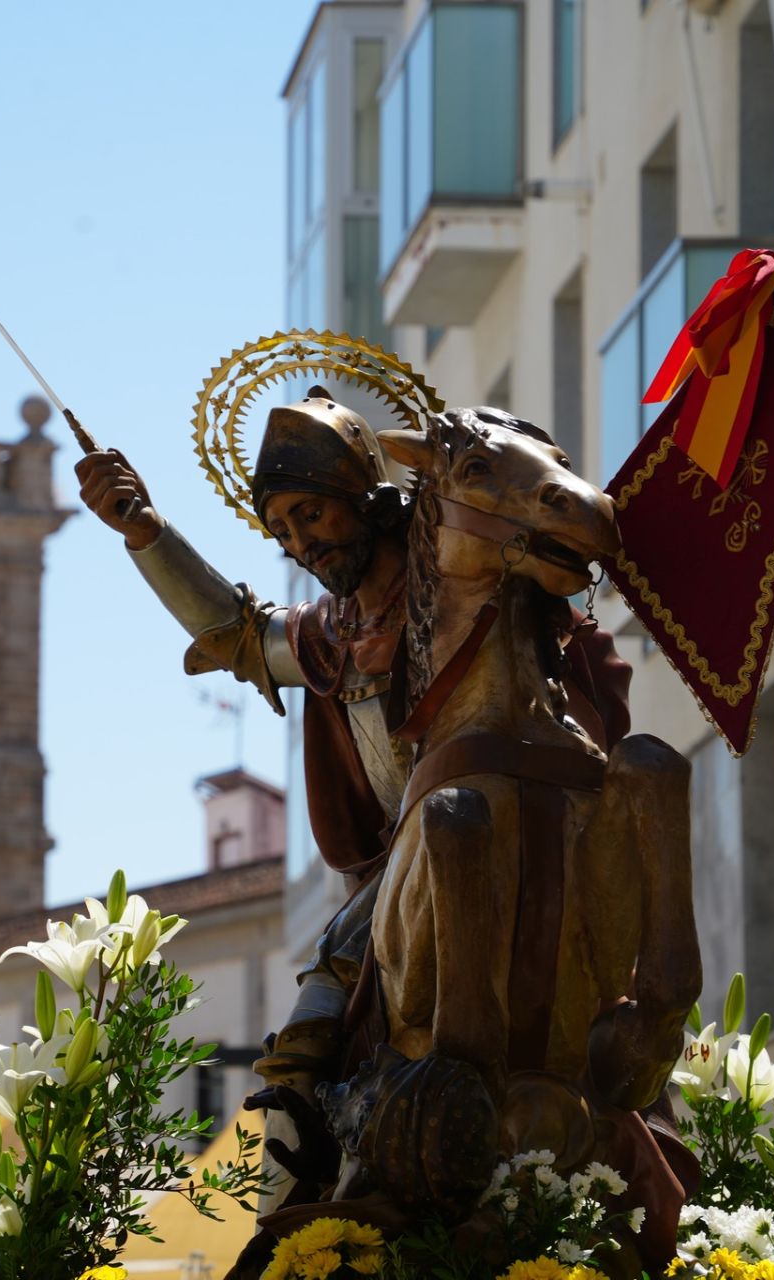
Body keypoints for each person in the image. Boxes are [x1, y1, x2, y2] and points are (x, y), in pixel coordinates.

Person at [75, 387, 632, 1204]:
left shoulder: (473, 582)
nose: (301, 542)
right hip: (394, 874)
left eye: (313, 514)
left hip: (525, 822)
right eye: (283, 529)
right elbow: (235, 633)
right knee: (308, 1032)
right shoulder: (326, 637)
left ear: (369, 498)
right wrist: (145, 532)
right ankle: (291, 1207)